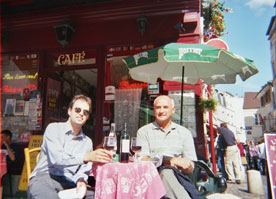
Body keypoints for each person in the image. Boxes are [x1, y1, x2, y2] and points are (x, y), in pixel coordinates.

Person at [27, 94, 112, 199]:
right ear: (69, 111)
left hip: (69, 181)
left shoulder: (87, 142)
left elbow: (83, 169)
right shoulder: (54, 129)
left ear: (87, 117)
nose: (81, 114)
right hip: (45, 178)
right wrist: (86, 156)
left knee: (100, 195)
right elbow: (57, 159)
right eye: (77, 110)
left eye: (85, 112)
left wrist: (81, 180)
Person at [137, 95, 198, 199]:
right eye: (158, 107)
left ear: (173, 110)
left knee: (168, 173)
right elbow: (142, 160)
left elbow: (190, 166)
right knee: (166, 172)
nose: (161, 111)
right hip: (151, 179)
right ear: (154, 110)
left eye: (165, 107)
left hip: (179, 179)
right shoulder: (143, 132)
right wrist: (170, 161)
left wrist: (187, 166)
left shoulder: (184, 133)